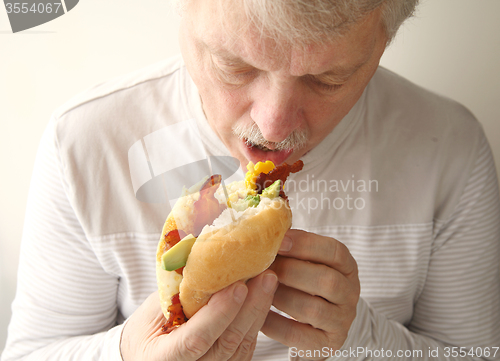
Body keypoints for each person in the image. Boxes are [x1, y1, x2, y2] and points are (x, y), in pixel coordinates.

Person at [2, 0, 499, 360]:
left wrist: (360, 340)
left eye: (327, 80)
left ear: (382, 44)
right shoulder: (86, 143)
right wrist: (127, 353)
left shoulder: (450, 148)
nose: (274, 127)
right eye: (234, 67)